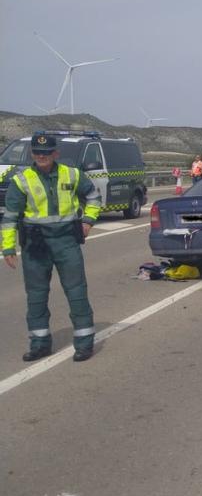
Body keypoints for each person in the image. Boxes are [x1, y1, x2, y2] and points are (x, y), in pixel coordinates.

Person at [2, 134, 102, 362]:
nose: (42, 156)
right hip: (35, 246)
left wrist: (87, 221)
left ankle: (84, 344)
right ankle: (40, 344)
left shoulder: (72, 174)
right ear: (32, 154)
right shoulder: (21, 180)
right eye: (38, 152)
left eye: (47, 152)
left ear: (56, 153)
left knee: (77, 293)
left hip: (66, 242)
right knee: (36, 297)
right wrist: (8, 248)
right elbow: (9, 217)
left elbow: (94, 197)